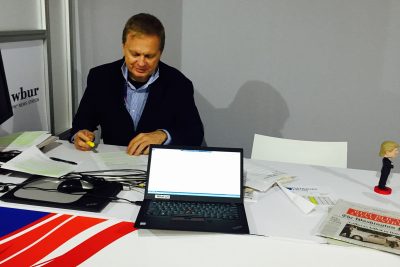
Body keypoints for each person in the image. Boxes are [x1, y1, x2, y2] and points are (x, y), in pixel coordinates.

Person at [70, 13, 204, 155]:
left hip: (154, 165)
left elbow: (194, 133)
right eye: (135, 54)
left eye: (149, 56)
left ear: (160, 53)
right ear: (123, 47)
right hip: (111, 166)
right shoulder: (100, 77)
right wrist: (80, 135)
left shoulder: (178, 83)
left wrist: (162, 135)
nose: (141, 63)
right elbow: (81, 123)